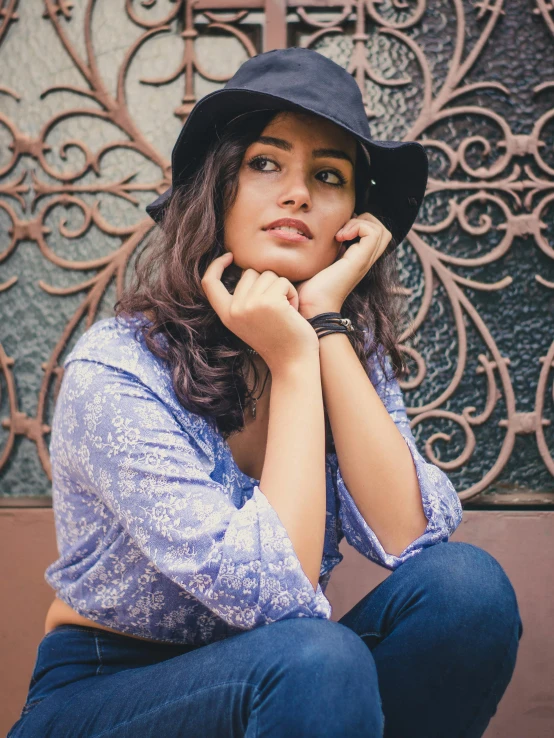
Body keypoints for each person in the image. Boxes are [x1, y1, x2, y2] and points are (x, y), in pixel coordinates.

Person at [8, 48, 522, 738]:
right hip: (107, 690)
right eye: (265, 163)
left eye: (329, 176)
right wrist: (289, 361)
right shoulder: (120, 367)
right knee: (315, 657)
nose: (299, 193)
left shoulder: (344, 349)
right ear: (217, 187)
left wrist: (325, 325)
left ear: (352, 218)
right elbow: (274, 597)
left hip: (285, 671)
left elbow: (411, 537)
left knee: (468, 594)